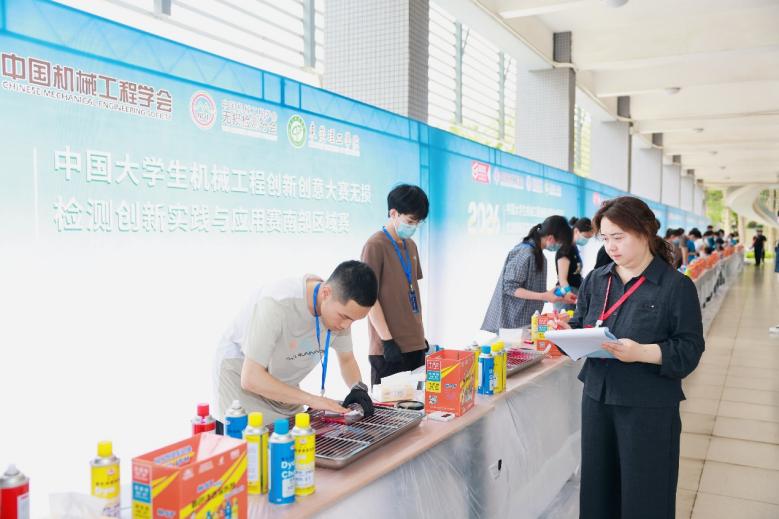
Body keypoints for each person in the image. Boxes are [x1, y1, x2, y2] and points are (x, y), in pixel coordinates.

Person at [558, 196, 705, 519]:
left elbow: (690, 348)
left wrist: (641, 352)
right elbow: (581, 323)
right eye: (605, 239)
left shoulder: (675, 286)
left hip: (647, 405)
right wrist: (566, 332)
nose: (611, 247)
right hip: (597, 398)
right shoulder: (597, 279)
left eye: (619, 237)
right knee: (598, 489)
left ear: (645, 232)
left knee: (646, 492)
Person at [212, 260, 378, 428]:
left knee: (294, 437)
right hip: (242, 382)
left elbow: (347, 360)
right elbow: (251, 378)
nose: (346, 326)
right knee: (253, 441)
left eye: (353, 320)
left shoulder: (338, 311)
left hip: (283, 389)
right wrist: (313, 400)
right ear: (326, 293)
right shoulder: (277, 303)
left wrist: (358, 389)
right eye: (344, 317)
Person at [361, 184, 429, 386]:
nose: (414, 227)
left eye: (418, 222)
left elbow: (411, 291)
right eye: (410, 221)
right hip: (389, 349)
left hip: (415, 344)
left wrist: (419, 336)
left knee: (418, 402)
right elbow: (369, 299)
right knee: (388, 405)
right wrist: (387, 340)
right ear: (393, 213)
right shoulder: (375, 245)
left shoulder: (411, 246)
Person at [481, 215, 572, 332]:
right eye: (560, 243)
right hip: (509, 323)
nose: (559, 247)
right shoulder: (525, 253)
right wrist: (544, 296)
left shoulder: (540, 256)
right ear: (550, 238)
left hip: (525, 322)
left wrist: (557, 297)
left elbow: (533, 292)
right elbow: (509, 287)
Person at [555, 216, 595, 311]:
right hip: (566, 293)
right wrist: (568, 293)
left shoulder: (574, 248)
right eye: (585, 237)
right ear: (576, 231)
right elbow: (562, 279)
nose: (586, 240)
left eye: (589, 238)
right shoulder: (565, 250)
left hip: (575, 292)